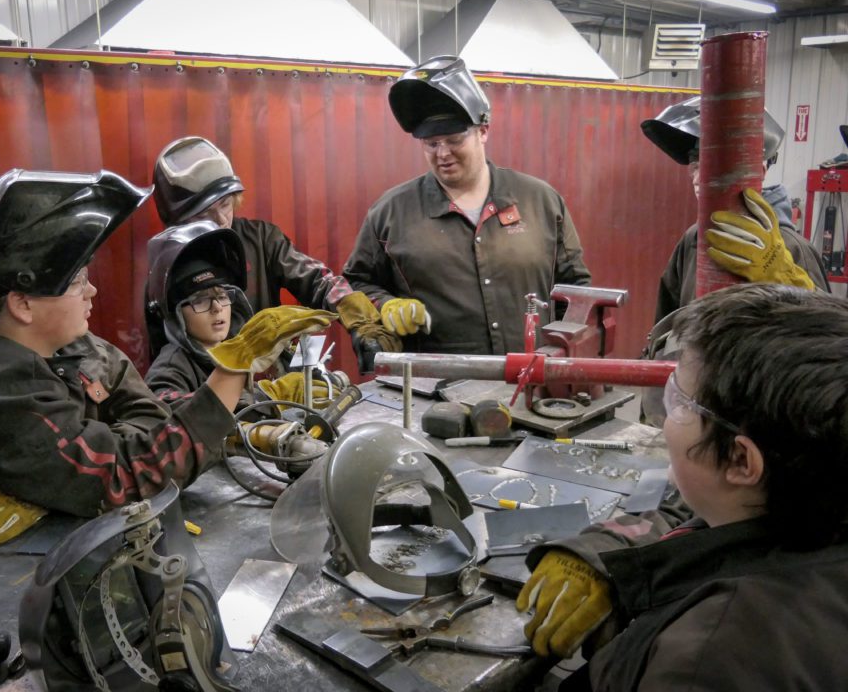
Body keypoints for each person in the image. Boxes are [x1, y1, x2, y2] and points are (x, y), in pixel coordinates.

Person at [0, 169, 334, 546]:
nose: (92, 293)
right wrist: (232, 369)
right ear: (22, 304)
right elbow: (131, 477)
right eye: (77, 283)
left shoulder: (78, 347)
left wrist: (62, 478)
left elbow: (149, 418)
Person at [515, 283, 848, 690]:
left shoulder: (707, 663)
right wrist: (607, 555)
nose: (664, 421)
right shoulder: (807, 510)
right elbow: (698, 522)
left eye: (681, 403)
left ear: (742, 461)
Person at [342, 55, 591, 355]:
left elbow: (576, 289)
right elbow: (357, 282)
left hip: (529, 383)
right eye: (431, 144)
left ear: (483, 131)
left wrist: (563, 358)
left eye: (454, 140)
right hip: (434, 389)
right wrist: (386, 304)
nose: (443, 153)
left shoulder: (541, 202)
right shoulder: (390, 213)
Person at [151, 136, 399, 371]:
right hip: (207, 392)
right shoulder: (166, 268)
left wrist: (360, 320)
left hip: (270, 383)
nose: (220, 220)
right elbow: (167, 364)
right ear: (177, 220)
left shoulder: (261, 239)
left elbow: (316, 279)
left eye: (225, 205)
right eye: (204, 213)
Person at [641, 95, 829, 324]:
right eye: (695, 166)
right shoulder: (694, 239)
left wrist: (790, 287)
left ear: (757, 172)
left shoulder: (793, 249)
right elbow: (665, 326)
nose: (698, 179)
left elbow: (829, 346)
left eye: (712, 166)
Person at [144, 219, 335, 411]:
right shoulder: (170, 369)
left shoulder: (241, 347)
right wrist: (266, 396)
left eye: (222, 295)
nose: (217, 308)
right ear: (176, 316)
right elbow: (178, 416)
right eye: (200, 300)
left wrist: (320, 379)